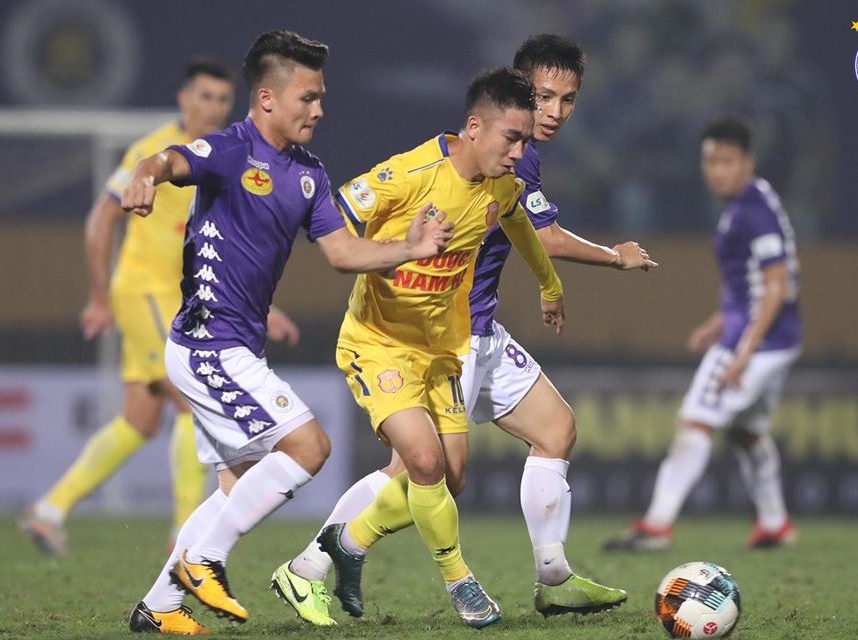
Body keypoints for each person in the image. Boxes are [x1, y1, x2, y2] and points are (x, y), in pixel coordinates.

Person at [272, 34, 656, 625]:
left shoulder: (512, 160)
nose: (555, 112)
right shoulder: (482, 157)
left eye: (568, 100)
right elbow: (545, 234)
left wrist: (549, 284)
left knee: (554, 430)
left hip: (469, 329)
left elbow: (523, 226)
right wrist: (614, 257)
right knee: (423, 472)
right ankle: (312, 565)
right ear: (512, 98)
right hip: (442, 335)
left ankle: (553, 576)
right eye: (544, 97)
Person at [122, 29, 454, 636]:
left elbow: (344, 253)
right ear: (267, 99)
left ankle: (159, 606)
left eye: (321, 96)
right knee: (309, 447)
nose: (319, 109)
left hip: (233, 346)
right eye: (308, 97)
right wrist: (145, 173)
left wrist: (408, 248)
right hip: (208, 342)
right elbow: (170, 161)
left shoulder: (308, 174)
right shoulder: (230, 149)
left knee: (237, 486)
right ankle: (203, 561)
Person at [17, 59, 262, 557]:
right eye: (205, 97)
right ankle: (186, 536)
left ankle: (49, 511)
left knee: (140, 420)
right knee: (194, 397)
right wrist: (98, 296)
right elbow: (101, 218)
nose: (214, 108)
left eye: (222, 99)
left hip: (178, 299)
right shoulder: (154, 152)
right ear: (184, 100)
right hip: (146, 291)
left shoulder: (218, 157)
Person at [602, 115, 802, 552]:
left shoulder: (753, 213)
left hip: (758, 342)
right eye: (710, 161)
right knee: (746, 431)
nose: (717, 171)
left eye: (727, 161)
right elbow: (750, 283)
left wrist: (743, 352)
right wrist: (719, 321)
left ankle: (656, 526)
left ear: (748, 162)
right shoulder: (750, 201)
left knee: (696, 420)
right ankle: (775, 525)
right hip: (777, 338)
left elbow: (776, 285)